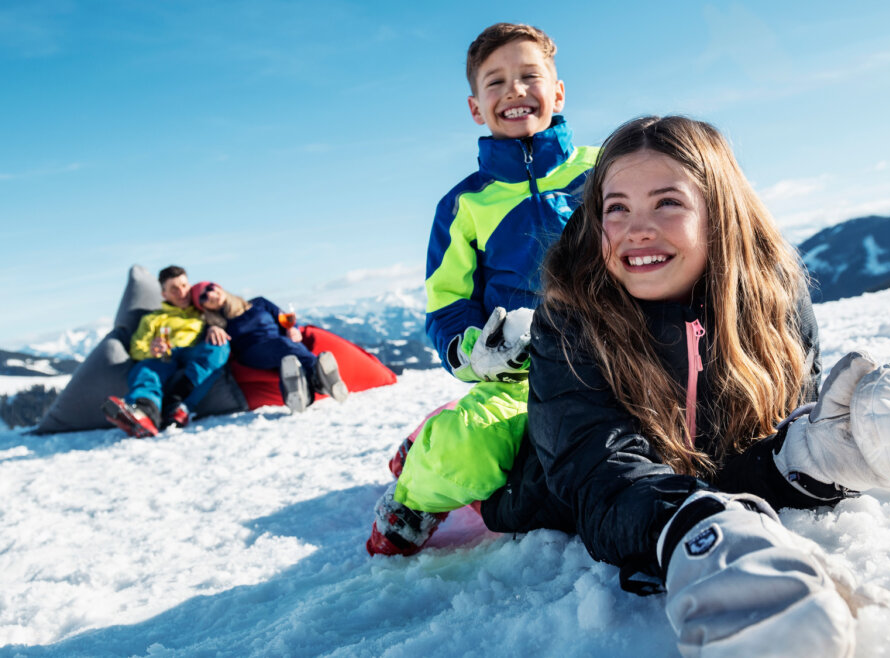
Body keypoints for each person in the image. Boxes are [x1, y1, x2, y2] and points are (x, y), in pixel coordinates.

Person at [478, 115, 890, 656]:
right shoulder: (572, 316)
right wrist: (695, 528)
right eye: (616, 207)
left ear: (719, 214)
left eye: (667, 202)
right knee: (468, 455)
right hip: (546, 490)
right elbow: (596, 470)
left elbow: (749, 446)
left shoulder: (771, 302)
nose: (636, 228)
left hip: (676, 474)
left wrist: (811, 457)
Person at [365, 22, 599, 556]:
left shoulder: (605, 169)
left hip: (617, 355)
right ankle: (414, 496)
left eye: (529, 76)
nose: (514, 90)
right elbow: (448, 305)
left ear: (557, 91)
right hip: (522, 379)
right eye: (495, 82)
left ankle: (424, 443)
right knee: (467, 448)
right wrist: (482, 354)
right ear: (476, 107)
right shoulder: (464, 206)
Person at [102, 265, 232, 437]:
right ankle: (144, 413)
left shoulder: (202, 311)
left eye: (184, 286)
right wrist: (151, 350)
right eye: (174, 289)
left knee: (219, 347)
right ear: (164, 294)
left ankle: (180, 405)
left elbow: (228, 316)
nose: (182, 292)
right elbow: (136, 349)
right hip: (165, 357)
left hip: (195, 351)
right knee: (146, 369)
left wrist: (215, 327)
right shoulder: (153, 319)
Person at [190, 281, 348, 413]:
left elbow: (284, 317)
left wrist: (292, 329)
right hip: (252, 353)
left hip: (281, 345)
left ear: (218, 287)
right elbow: (207, 342)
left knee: (288, 362)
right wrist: (212, 328)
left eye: (210, 288)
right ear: (203, 307)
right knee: (283, 346)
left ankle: (300, 394)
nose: (210, 295)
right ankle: (319, 376)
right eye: (203, 297)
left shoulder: (259, 302)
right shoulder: (217, 323)